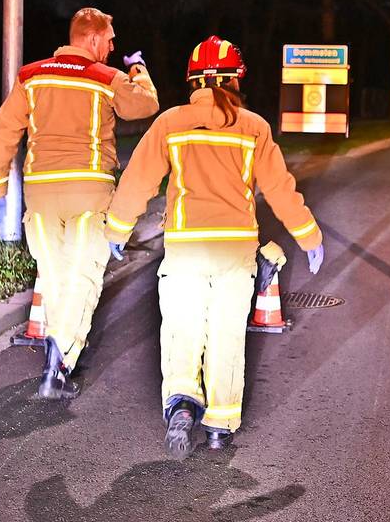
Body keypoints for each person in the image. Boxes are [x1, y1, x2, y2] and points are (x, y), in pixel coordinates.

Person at [105, 35, 325, 458]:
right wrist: (309, 236)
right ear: (235, 80)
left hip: (185, 247)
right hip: (235, 251)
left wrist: (117, 229)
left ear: (193, 80)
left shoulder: (171, 123)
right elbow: (280, 189)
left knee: (182, 328)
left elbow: (138, 180)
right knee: (226, 335)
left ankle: (182, 403)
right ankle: (220, 427)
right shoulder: (254, 127)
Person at [0, 7, 159, 400]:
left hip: (41, 195)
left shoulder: (32, 76)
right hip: (89, 193)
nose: (111, 47)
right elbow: (146, 105)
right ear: (93, 38)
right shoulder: (107, 77)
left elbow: (2, 133)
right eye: (109, 40)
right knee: (82, 278)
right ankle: (58, 365)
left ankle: (55, 355)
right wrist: (138, 70)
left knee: (54, 278)